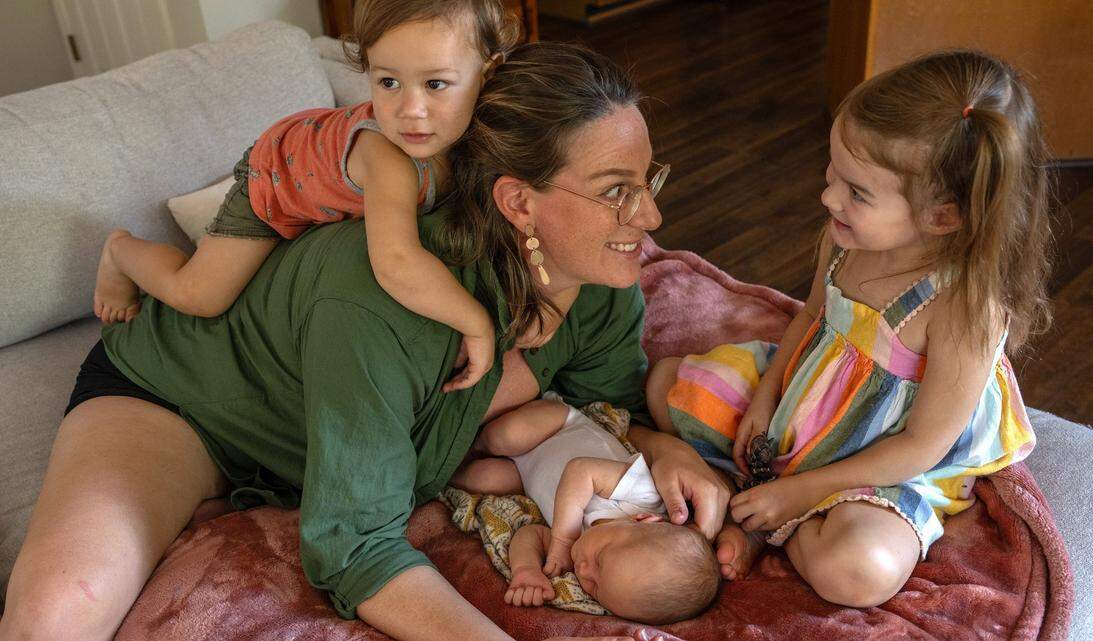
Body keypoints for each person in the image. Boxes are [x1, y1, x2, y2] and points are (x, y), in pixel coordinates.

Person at [0, 42, 730, 641]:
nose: (654, 215)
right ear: (517, 202)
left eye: (647, 178)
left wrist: (660, 448)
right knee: (57, 612)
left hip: (322, 420)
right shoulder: (384, 300)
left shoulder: (602, 285)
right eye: (616, 190)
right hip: (185, 401)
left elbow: (602, 404)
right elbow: (353, 544)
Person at [646, 49, 1051, 608]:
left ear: (943, 216)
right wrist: (765, 398)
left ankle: (771, 523)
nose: (828, 197)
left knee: (859, 571)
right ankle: (766, 506)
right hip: (804, 402)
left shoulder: (963, 308)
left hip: (885, 461)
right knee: (664, 383)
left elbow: (919, 447)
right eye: (833, 173)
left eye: (857, 192)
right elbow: (811, 318)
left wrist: (800, 492)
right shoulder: (847, 237)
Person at [93, 0, 521, 393]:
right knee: (201, 296)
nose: (410, 108)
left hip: (322, 167)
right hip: (278, 179)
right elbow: (396, 264)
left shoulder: (480, 136)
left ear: (486, 72)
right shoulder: (388, 158)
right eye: (388, 81)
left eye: (435, 84)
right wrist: (476, 323)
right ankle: (121, 252)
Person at [450, 393, 720, 624]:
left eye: (596, 589)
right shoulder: (642, 496)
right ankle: (468, 441)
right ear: (645, 520)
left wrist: (527, 570)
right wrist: (563, 537)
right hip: (557, 427)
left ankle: (437, 466)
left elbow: (531, 534)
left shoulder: (583, 553)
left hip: (525, 473)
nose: (583, 570)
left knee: (480, 479)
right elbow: (581, 469)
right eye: (599, 559)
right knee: (505, 436)